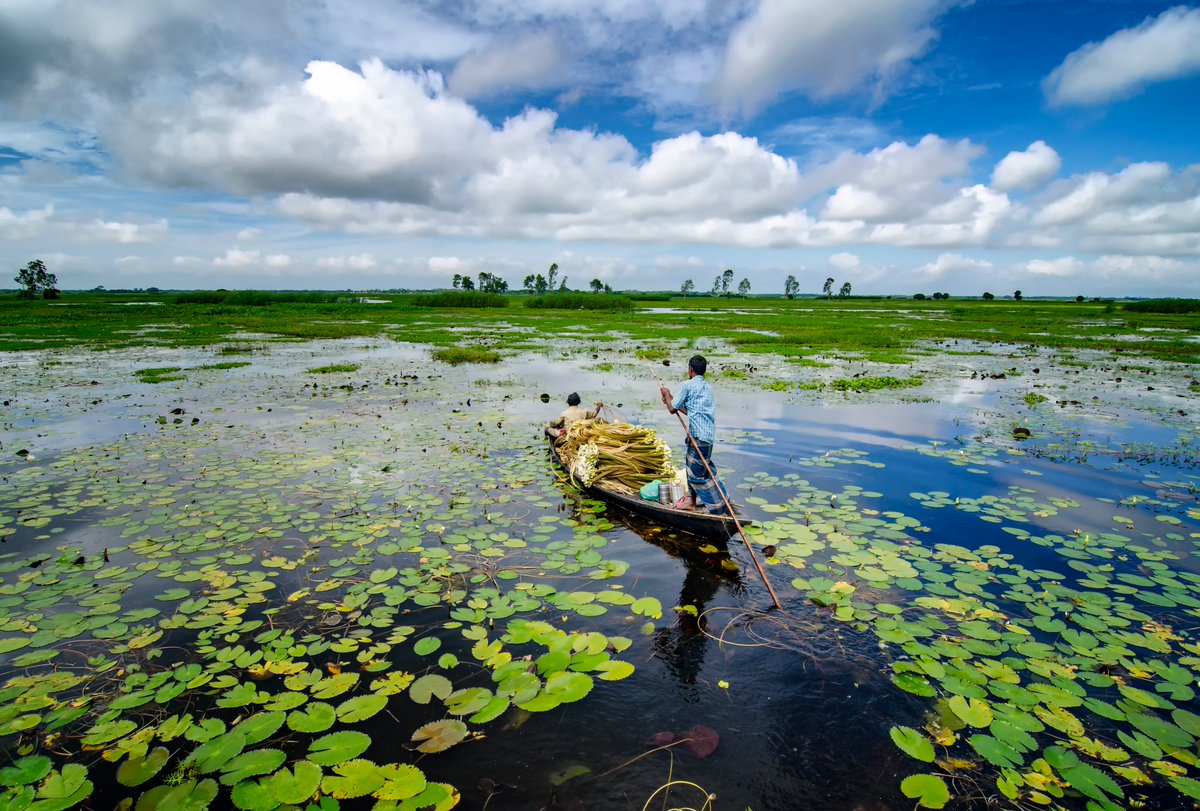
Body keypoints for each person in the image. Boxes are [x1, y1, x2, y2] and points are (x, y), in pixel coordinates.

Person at [660, 355, 727, 514]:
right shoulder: (708, 388)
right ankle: (693, 500)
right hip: (708, 439)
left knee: (695, 475)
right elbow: (692, 412)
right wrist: (669, 399)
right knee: (698, 471)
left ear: (690, 369)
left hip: (697, 437)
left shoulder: (687, 385)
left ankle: (703, 504)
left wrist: (667, 394)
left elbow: (672, 409)